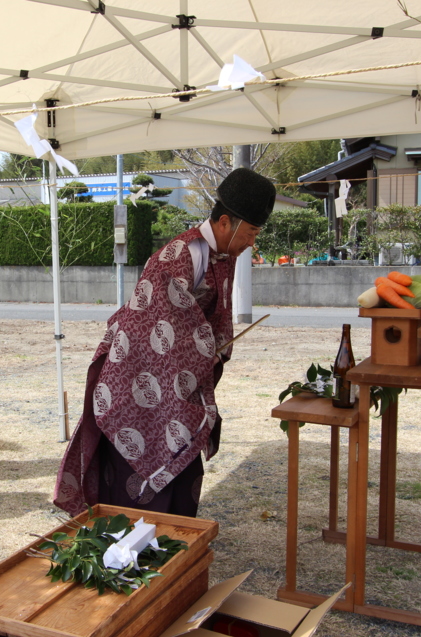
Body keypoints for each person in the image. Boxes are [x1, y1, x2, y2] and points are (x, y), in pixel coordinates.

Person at [53, 167, 275, 518]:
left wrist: (213, 350)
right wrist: (206, 350)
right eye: (250, 232)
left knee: (183, 466)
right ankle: (134, 551)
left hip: (176, 380)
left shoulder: (223, 256)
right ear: (224, 223)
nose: (252, 243)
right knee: (139, 471)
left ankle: (173, 545)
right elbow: (156, 326)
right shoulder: (177, 256)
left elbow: (208, 325)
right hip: (134, 378)